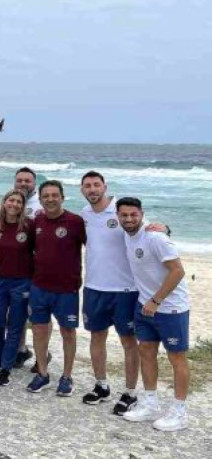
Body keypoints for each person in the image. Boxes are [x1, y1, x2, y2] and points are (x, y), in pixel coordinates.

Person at [117, 197, 191, 432]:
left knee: (176, 358)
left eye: (133, 215)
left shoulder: (155, 237)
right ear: (118, 217)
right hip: (144, 306)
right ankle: (150, 404)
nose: (129, 219)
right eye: (124, 215)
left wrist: (156, 300)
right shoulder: (127, 235)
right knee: (146, 352)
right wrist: (148, 302)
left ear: (142, 214)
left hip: (171, 308)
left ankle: (180, 412)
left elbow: (178, 271)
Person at [79, 171, 140, 414]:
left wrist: (164, 228)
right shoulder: (84, 213)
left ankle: (130, 393)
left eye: (96, 185)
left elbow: (143, 228)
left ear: (105, 186)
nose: (92, 189)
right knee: (97, 337)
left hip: (125, 289)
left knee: (128, 341)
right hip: (94, 286)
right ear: (82, 190)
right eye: (87, 186)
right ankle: (101, 385)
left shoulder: (121, 210)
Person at [26, 180, 86, 396]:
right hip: (39, 287)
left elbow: (96, 245)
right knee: (39, 330)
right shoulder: (37, 220)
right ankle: (42, 373)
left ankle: (67, 377)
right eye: (46, 196)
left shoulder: (75, 221)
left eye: (54, 195)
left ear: (62, 197)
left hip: (67, 289)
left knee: (68, 332)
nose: (50, 199)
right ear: (40, 199)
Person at [0, 190, 34, 386]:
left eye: (18, 202)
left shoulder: (29, 225)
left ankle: (6, 367)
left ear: (23, 206)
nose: (14, 204)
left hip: (22, 282)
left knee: (15, 326)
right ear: (4, 202)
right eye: (10, 200)